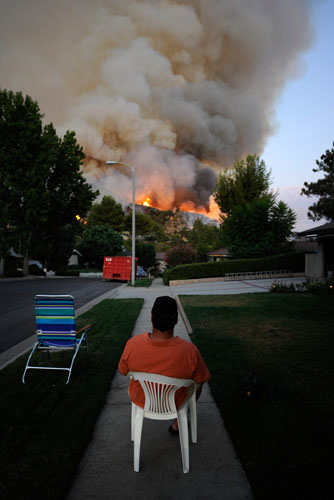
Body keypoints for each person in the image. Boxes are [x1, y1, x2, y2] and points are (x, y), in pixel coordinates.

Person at [118, 295, 210, 435]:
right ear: (176, 321)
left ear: (151, 318)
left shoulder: (132, 345)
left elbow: (123, 370)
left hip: (142, 400)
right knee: (198, 383)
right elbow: (202, 378)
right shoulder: (190, 351)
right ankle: (178, 422)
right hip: (176, 403)